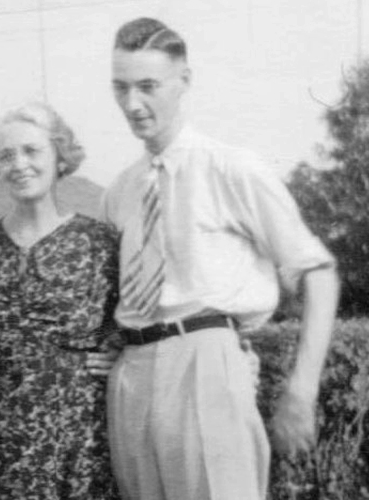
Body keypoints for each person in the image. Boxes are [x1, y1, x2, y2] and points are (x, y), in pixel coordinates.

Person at [101, 17, 340, 500]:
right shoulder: (119, 191)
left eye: (148, 86)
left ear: (184, 81)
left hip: (205, 361)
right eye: (120, 88)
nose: (132, 104)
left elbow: (318, 273)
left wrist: (302, 389)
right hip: (132, 371)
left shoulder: (231, 168)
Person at [0, 102, 119, 500]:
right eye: (6, 155)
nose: (19, 164)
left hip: (76, 437)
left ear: (59, 156)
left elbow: (131, 323)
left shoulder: (100, 243)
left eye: (31, 150)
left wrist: (119, 354)